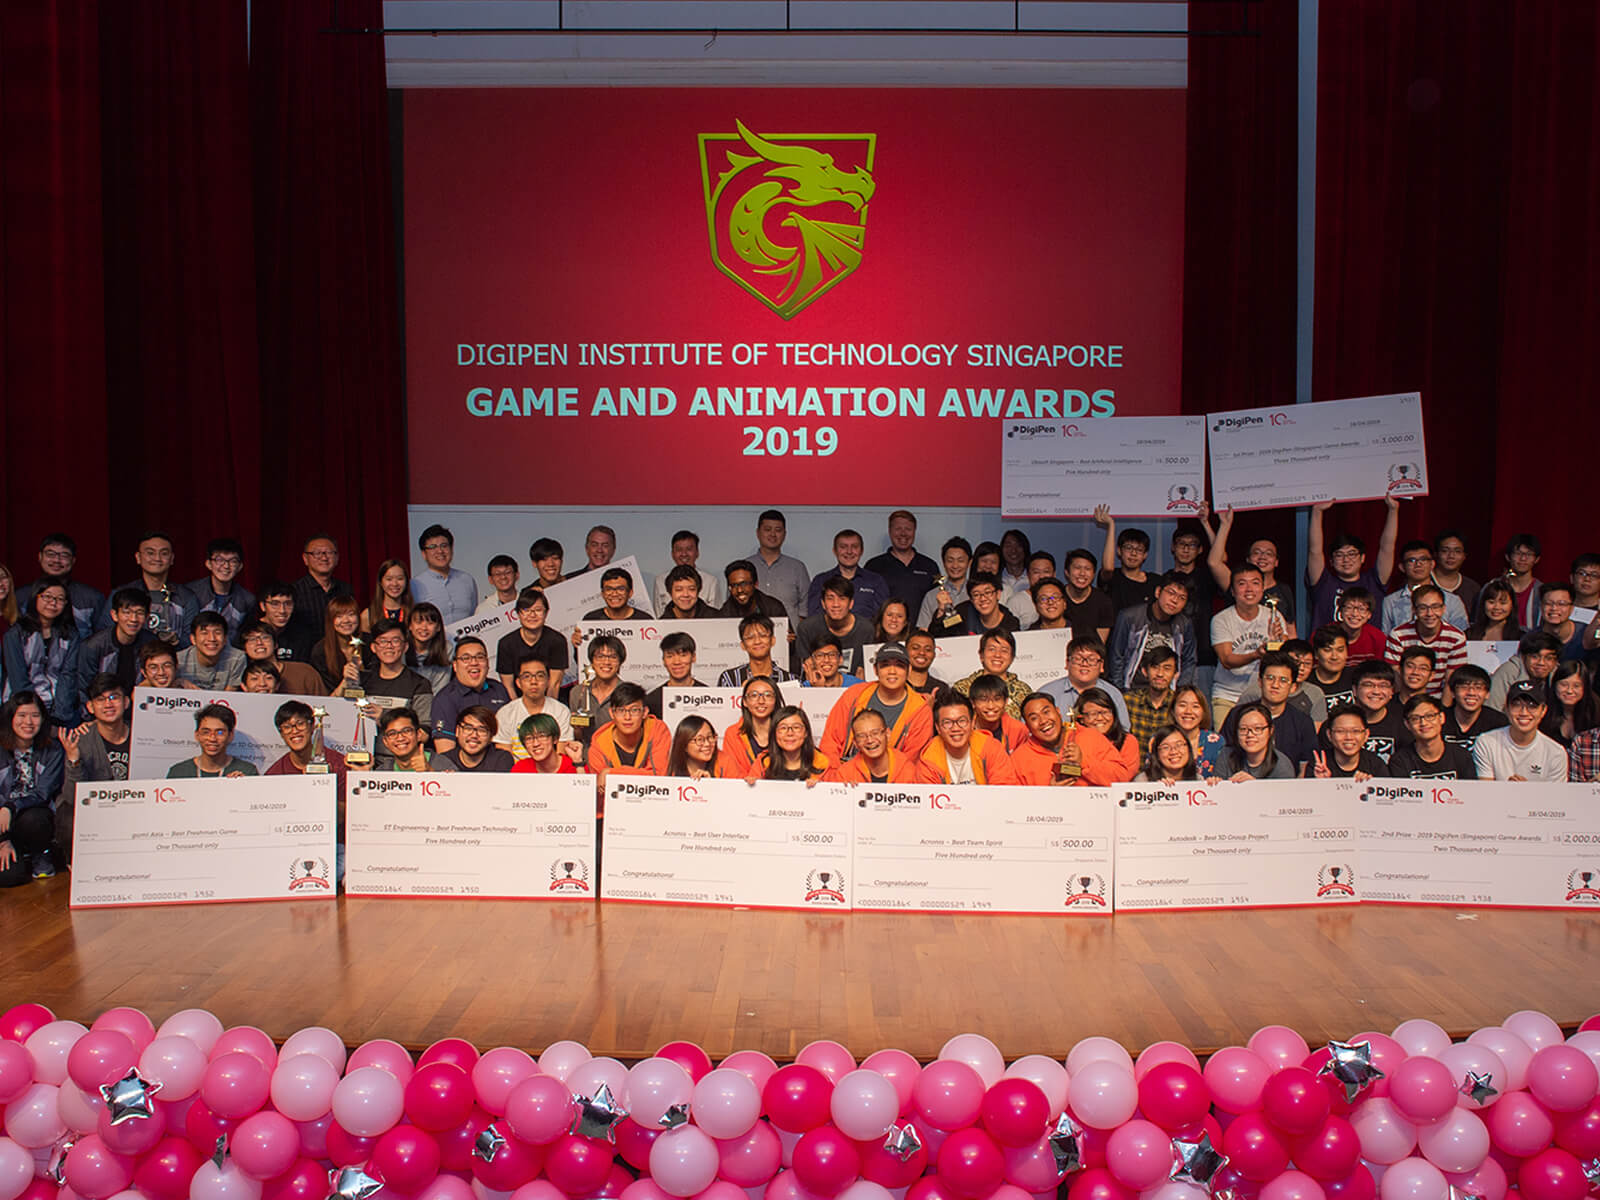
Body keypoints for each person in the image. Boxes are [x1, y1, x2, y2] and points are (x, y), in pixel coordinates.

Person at [818, 643, 933, 762]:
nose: (892, 671)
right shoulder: (855, 694)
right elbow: (830, 742)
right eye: (885, 665)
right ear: (875, 670)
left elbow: (911, 761)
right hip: (844, 772)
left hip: (891, 776)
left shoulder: (920, 710)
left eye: (899, 666)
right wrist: (837, 775)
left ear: (909, 670)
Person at [59, 674, 133, 856]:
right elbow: (71, 797)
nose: (108, 704)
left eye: (114, 697)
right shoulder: (80, 740)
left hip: (132, 806)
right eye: (100, 700)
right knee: (67, 816)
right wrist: (73, 760)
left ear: (126, 702)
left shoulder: (142, 735)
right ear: (90, 707)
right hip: (95, 808)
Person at [1209, 564, 1289, 723]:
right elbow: (1226, 660)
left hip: (1263, 696)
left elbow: (1283, 657)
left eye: (1255, 583)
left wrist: (1278, 642)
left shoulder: (1274, 616)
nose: (1249, 589)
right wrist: (1256, 654)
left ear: (1263, 587)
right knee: (1225, 745)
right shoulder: (1221, 619)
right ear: (1232, 591)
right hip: (1228, 695)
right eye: (1242, 583)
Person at [0, 691, 66, 882]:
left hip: (32, 817)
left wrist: (11, 807)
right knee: (10, 877)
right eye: (21, 715)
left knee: (35, 818)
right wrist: (3, 840)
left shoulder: (53, 750)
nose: (28, 722)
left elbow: (43, 793)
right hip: (3, 823)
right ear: (10, 718)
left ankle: (41, 853)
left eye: (35, 716)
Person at [1305, 498, 1399, 631]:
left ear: (1362, 558)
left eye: (1352, 554)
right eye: (1339, 555)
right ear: (1331, 561)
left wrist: (1393, 510)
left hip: (1366, 649)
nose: (1346, 559)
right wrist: (1317, 511)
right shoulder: (1324, 583)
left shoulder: (1374, 582)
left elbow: (1387, 548)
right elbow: (1315, 550)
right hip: (1328, 648)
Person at [1220, 652, 1318, 772]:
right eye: (1270, 678)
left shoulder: (1303, 723)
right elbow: (1223, 756)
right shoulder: (1237, 715)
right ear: (1260, 682)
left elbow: (1306, 768)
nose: (1275, 685)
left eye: (1283, 680)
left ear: (1293, 687)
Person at [2, 578, 80, 724]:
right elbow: (18, 679)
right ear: (35, 597)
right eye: (47, 597)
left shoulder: (71, 635)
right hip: (19, 708)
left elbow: (68, 675)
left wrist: (58, 718)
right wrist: (35, 715)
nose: (53, 603)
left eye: (60, 599)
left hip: (58, 709)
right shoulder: (16, 634)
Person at [1009, 692, 1124, 786]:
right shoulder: (1019, 760)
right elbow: (1017, 804)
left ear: (1058, 712)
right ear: (1027, 726)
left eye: (1046, 712)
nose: (1043, 721)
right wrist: (1048, 794)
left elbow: (1121, 779)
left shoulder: (1091, 737)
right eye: (1034, 718)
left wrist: (1083, 761)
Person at [1107, 574, 1196, 691]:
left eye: (1182, 598)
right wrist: (1119, 692)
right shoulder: (1130, 617)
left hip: (1167, 693)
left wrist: (1179, 692)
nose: (1175, 600)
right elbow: (1116, 656)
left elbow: (1189, 660)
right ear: (1158, 592)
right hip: (1132, 690)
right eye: (1171, 593)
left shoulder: (1184, 624)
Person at [1208, 509, 1296, 625]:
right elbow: (1214, 562)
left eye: (1269, 554)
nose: (1262, 557)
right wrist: (1225, 524)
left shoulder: (1284, 590)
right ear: (1248, 560)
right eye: (1257, 552)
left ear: (1276, 562)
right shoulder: (1236, 582)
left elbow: (1290, 628)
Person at [114, 531, 198, 647]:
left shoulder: (186, 597)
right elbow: (108, 634)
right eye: (150, 553)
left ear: (172, 558)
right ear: (138, 557)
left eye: (164, 553)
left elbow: (194, 638)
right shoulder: (121, 594)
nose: (157, 558)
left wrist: (176, 642)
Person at [916, 690, 1017, 785]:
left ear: (972, 722)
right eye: (947, 723)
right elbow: (930, 800)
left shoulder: (990, 748)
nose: (955, 728)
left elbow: (1004, 791)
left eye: (962, 721)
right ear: (938, 728)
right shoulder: (928, 760)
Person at [430, 637, 512, 753]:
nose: (474, 663)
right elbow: (445, 754)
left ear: (488, 663)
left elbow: (510, 736)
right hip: (464, 768)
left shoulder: (498, 689)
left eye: (480, 657)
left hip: (499, 764)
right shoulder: (445, 699)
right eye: (466, 658)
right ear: (455, 665)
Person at [1383, 584, 1467, 697]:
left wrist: (1443, 710)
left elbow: (1450, 682)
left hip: (1438, 697)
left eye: (1435, 607)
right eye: (1423, 608)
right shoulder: (1398, 635)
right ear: (1414, 610)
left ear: (1443, 609)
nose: (1429, 613)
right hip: (1406, 696)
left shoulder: (1456, 637)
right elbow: (1396, 677)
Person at [1473, 681, 1567, 781]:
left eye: (1532, 706)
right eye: (1517, 705)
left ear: (1543, 711)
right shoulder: (1487, 743)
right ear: (1506, 709)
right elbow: (1486, 791)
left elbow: (1555, 795)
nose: (1524, 712)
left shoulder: (1555, 753)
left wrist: (1525, 791)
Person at [72, 588, 152, 704]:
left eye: (139, 613)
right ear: (114, 615)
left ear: (147, 616)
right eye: (127, 612)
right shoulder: (93, 646)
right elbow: (85, 688)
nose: (133, 619)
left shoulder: (151, 643)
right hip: (105, 711)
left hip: (142, 709)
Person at [16, 534, 105, 639]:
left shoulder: (92, 597)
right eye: (50, 554)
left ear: (73, 561)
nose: (57, 560)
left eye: (64, 555)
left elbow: (103, 638)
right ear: (39, 557)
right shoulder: (21, 596)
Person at [353, 620, 434, 736]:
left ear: (405, 646)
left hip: (399, 752)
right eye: (383, 641)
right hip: (363, 751)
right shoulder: (363, 680)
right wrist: (346, 680)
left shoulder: (419, 684)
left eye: (395, 641)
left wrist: (386, 717)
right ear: (373, 647)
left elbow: (424, 733)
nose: (389, 646)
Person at [1040, 636, 1131, 727]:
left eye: (1091, 659)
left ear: (1101, 666)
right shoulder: (1047, 693)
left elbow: (1124, 730)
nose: (1084, 664)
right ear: (1067, 663)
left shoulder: (1113, 694)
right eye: (1078, 659)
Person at [1380, 542, 1470, 633]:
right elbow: (1385, 636)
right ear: (1402, 567)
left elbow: (1461, 634)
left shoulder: (1452, 600)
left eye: (1423, 559)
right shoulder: (1391, 601)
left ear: (1432, 564)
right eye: (1411, 560)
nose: (1418, 564)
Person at [1236, 638, 1328, 726]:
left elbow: (1315, 731)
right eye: (1296, 662)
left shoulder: (1315, 693)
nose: (1301, 668)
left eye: (1307, 663)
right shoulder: (1255, 692)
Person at [1332, 661, 1410, 764]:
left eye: (1383, 685)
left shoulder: (1403, 723)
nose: (1376, 692)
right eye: (1368, 685)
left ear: (1392, 692)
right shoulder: (1338, 722)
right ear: (1354, 690)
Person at [587, 683, 671, 779]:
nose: (627, 717)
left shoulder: (657, 730)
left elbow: (659, 776)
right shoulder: (599, 744)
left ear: (645, 712)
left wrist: (612, 772)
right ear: (611, 713)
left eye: (634, 710)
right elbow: (601, 787)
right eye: (621, 710)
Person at [865, 509, 941, 613]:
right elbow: (867, 604)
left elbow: (937, 603)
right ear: (890, 531)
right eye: (898, 529)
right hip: (885, 629)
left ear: (914, 531)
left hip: (921, 629)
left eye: (908, 529)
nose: (903, 533)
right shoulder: (874, 566)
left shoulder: (929, 566)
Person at [496, 655, 574, 756]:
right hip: (517, 770)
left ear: (548, 681)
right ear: (518, 683)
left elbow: (562, 754)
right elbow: (504, 757)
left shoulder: (561, 711)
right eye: (527, 676)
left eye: (540, 676)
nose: (534, 682)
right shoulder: (505, 713)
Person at [495, 587, 569, 693]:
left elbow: (554, 685)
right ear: (518, 614)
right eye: (526, 610)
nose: (532, 615)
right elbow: (508, 687)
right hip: (518, 702)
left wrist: (547, 709)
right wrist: (518, 709)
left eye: (538, 610)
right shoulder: (506, 644)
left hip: (548, 701)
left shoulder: (557, 641)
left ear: (546, 613)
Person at [795, 576, 873, 676]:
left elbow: (863, 673)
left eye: (842, 598)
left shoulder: (866, 629)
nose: (836, 604)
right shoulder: (807, 628)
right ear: (823, 603)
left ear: (851, 604)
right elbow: (807, 671)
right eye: (830, 598)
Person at [1387, 695, 1479, 778]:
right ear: (1407, 724)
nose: (1423, 723)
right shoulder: (1400, 761)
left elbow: (1469, 793)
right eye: (1415, 718)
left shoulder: (1461, 756)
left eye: (1430, 716)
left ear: (1442, 718)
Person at [288, 534, 354, 649]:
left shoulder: (345, 589)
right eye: (317, 553)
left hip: (340, 653)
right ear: (305, 558)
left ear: (337, 558)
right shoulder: (294, 591)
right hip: (306, 656)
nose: (324, 558)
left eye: (329, 553)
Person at [806, 529, 889, 620]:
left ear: (861, 551)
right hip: (828, 634)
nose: (849, 551)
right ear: (835, 551)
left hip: (866, 633)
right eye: (843, 547)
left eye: (854, 546)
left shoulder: (876, 581)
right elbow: (814, 617)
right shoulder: (821, 581)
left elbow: (882, 617)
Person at [951, 629, 1032, 717]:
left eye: (1004, 650)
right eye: (992, 649)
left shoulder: (1023, 691)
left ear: (1012, 657)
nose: (997, 655)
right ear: (981, 655)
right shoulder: (962, 689)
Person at [184, 538, 255, 639]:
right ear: (208, 564)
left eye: (233, 561)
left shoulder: (247, 600)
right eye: (219, 560)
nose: (226, 566)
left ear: (240, 566)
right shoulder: (190, 592)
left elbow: (245, 636)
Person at [824, 709, 920, 783]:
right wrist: (848, 794)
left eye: (875, 733)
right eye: (862, 736)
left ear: (887, 734)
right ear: (855, 743)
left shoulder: (908, 771)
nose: (869, 740)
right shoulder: (845, 774)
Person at [745, 509, 809, 619]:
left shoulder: (797, 568)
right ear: (758, 533)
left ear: (784, 534)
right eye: (767, 529)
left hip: (789, 635)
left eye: (778, 530)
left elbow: (806, 608)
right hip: (753, 635)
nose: (773, 534)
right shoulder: (744, 568)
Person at [1092, 506, 1157, 614]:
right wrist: (1111, 526)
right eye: (1128, 548)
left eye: (1139, 550)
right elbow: (1108, 568)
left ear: (1145, 555)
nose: (1133, 553)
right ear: (1119, 551)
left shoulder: (1155, 581)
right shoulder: (1114, 577)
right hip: (1116, 630)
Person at [166, 703, 258, 778]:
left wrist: (244, 787)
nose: (212, 738)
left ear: (230, 736)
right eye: (206, 732)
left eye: (220, 733)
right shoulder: (178, 772)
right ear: (197, 735)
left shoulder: (247, 771)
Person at [238, 619, 324, 695]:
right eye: (252, 639)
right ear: (244, 648)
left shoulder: (304, 672)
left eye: (265, 638)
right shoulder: (241, 675)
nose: (259, 643)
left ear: (276, 644)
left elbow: (324, 705)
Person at [720, 676, 784, 779]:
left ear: (775, 700)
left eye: (768, 695)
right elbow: (731, 772)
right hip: (743, 791)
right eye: (754, 695)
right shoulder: (733, 733)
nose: (761, 701)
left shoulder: (786, 732)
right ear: (745, 701)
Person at [1074, 689, 1143, 783]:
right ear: (1081, 719)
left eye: (1105, 712)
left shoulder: (1128, 741)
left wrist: (1084, 763)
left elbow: (1124, 778)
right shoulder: (1074, 739)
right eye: (1093, 714)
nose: (1100, 718)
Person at [748, 706, 829, 782]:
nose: (790, 733)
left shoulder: (823, 764)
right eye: (783, 728)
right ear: (774, 733)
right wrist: (751, 785)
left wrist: (819, 788)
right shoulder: (763, 762)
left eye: (796, 727)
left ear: (806, 733)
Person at [933, 570, 1021, 640]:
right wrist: (941, 611)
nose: (983, 598)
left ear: (998, 594)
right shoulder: (961, 613)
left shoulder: (1011, 624)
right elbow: (939, 637)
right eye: (976, 594)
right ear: (971, 599)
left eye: (987, 592)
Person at [1442, 664, 1508, 756]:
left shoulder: (1499, 723)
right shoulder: (1439, 720)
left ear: (1487, 694)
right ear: (1453, 692)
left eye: (1478, 687)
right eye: (1464, 687)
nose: (1471, 693)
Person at [1488, 631, 1563, 710]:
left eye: (1549, 658)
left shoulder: (1559, 674)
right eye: (1535, 657)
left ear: (1556, 661)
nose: (1541, 663)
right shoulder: (1509, 671)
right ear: (1523, 657)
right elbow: (1492, 710)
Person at [1220, 701, 1295, 780]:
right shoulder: (1226, 755)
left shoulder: (1282, 765)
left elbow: (1283, 792)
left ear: (1270, 730)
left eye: (1257, 729)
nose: (1250, 735)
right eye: (1243, 729)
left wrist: (1255, 785)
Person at [652, 530, 723, 614]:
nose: (684, 554)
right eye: (679, 549)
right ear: (672, 554)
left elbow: (716, 618)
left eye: (689, 549)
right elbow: (659, 615)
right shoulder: (660, 580)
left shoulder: (711, 581)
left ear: (697, 553)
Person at [1124, 646, 1179, 752]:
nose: (1160, 674)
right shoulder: (1129, 701)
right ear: (1144, 671)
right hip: (1134, 766)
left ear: (1175, 674)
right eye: (1155, 667)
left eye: (1167, 668)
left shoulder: (1178, 704)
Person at [1310, 707, 1389, 781]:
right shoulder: (1318, 765)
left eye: (1356, 731)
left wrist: (1367, 787)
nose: (1349, 737)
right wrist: (1322, 784)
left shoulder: (1376, 765)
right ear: (1329, 735)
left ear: (1366, 734)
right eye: (1340, 731)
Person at [177, 611, 247, 691]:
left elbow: (228, 697)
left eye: (217, 633)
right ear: (193, 639)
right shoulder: (179, 660)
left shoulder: (236, 658)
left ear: (225, 639)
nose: (212, 638)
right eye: (204, 633)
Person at [716, 615, 793, 687]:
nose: (757, 641)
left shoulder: (790, 679)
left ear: (772, 640)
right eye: (750, 637)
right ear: (743, 645)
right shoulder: (729, 679)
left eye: (763, 635)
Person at [916, 537, 974, 631]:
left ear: (970, 562)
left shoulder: (976, 593)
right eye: (950, 560)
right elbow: (923, 631)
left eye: (960, 560)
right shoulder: (931, 596)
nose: (955, 566)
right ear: (943, 562)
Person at [435, 705, 514, 772]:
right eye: (468, 728)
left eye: (482, 730)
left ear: (491, 737)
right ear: (457, 731)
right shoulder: (444, 759)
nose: (474, 735)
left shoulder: (501, 759)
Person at [1170, 685, 1227, 778]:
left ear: (1203, 711)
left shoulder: (1216, 742)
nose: (1188, 711)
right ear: (1173, 709)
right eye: (1182, 705)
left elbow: (1225, 778)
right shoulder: (1160, 739)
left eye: (1195, 706)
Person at [644, 632, 705, 718]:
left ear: (693, 657)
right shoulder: (652, 700)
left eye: (683, 655)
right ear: (663, 661)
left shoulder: (708, 695)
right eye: (670, 656)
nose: (677, 662)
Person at [1061, 549, 1115, 642]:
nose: (1082, 573)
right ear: (1067, 572)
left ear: (1094, 574)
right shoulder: (1058, 597)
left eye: (1087, 569)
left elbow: (1100, 644)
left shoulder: (1103, 602)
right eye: (1077, 568)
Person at [314, 596, 365, 693]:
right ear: (331, 621)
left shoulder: (370, 643)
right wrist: (345, 681)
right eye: (339, 616)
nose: (346, 620)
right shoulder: (320, 651)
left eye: (351, 614)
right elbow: (325, 697)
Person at [1541, 661, 1598, 746]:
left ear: (1585, 688)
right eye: (1564, 684)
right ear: (1554, 685)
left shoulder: (1596, 712)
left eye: (1576, 686)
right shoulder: (1543, 712)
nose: (1569, 691)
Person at [257, 581, 316, 664]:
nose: (282, 610)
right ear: (263, 606)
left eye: (288, 604)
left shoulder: (301, 635)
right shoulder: (251, 632)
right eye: (275, 604)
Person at [967, 673, 1028, 752]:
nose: (991, 706)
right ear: (972, 703)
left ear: (1006, 701)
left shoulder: (1018, 730)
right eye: (983, 700)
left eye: (997, 699)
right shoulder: (964, 730)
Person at [719, 560, 790, 623]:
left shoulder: (774, 608)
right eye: (734, 585)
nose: (739, 590)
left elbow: (787, 634)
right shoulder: (725, 613)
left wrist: (789, 637)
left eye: (744, 584)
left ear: (756, 584)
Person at [1498, 533, 1545, 629]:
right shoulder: (1494, 586)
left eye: (1529, 554)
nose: (1523, 559)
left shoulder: (1542, 591)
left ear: (1537, 559)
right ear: (1508, 557)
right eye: (1518, 553)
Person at [510, 713, 582, 776]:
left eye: (542, 736)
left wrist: (578, 762)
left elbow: (585, 790)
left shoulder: (574, 765)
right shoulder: (521, 769)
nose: (536, 744)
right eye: (529, 738)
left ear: (555, 739)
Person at [376, 707, 442, 772]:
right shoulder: (381, 772)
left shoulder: (442, 764)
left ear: (418, 734)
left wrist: (430, 771)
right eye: (392, 734)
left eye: (406, 731)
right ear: (385, 741)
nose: (400, 738)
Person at [1432, 531, 1480, 618]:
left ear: (1464, 556)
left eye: (1457, 551)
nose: (1451, 556)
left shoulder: (1472, 588)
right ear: (1436, 554)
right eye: (1445, 551)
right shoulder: (1424, 581)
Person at [1534, 582, 1587, 661]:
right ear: (1541, 607)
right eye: (1548, 603)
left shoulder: (1585, 634)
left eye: (1561, 604)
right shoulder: (1532, 638)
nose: (1554, 608)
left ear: (1572, 608)